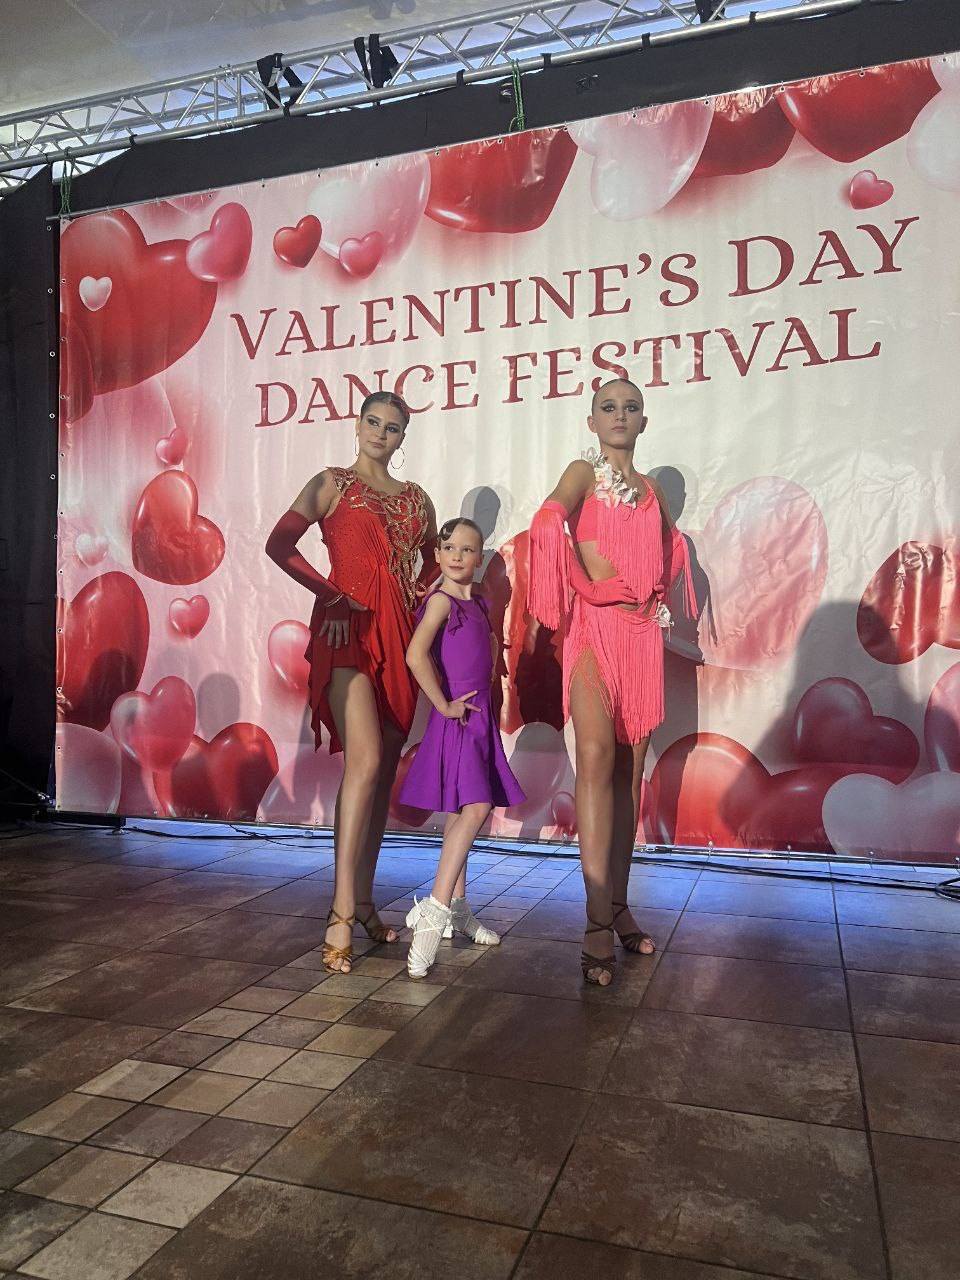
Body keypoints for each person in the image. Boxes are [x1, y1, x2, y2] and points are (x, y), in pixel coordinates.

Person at [527, 377, 695, 986]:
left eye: (631, 407)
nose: (620, 415)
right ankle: (597, 919)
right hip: (594, 633)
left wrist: (653, 595)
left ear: (643, 421)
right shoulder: (582, 473)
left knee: (629, 773)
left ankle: (619, 905)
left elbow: (668, 555)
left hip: (642, 640)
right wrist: (583, 586)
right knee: (595, 757)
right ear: (592, 422)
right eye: (608, 407)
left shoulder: (653, 492)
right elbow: (547, 520)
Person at [265, 391, 439, 974]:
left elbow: (433, 564)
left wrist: (421, 596)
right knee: (364, 760)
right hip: (346, 627)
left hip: (400, 635)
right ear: (358, 424)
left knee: (382, 768)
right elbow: (279, 544)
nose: (381, 433)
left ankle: (363, 900)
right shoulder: (331, 483)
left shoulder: (417, 499)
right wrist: (331, 593)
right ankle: (340, 912)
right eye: (373, 422)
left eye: (392, 427)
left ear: (402, 437)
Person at [400, 517, 526, 978]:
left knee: (460, 811)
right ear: (437, 554)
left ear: (479, 557)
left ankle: (457, 909)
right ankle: (432, 915)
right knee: (475, 807)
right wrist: (443, 704)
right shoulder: (441, 602)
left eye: (467, 549)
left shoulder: (479, 603)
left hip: (479, 719)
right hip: (458, 719)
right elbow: (415, 655)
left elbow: (484, 650)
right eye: (449, 547)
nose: (457, 556)